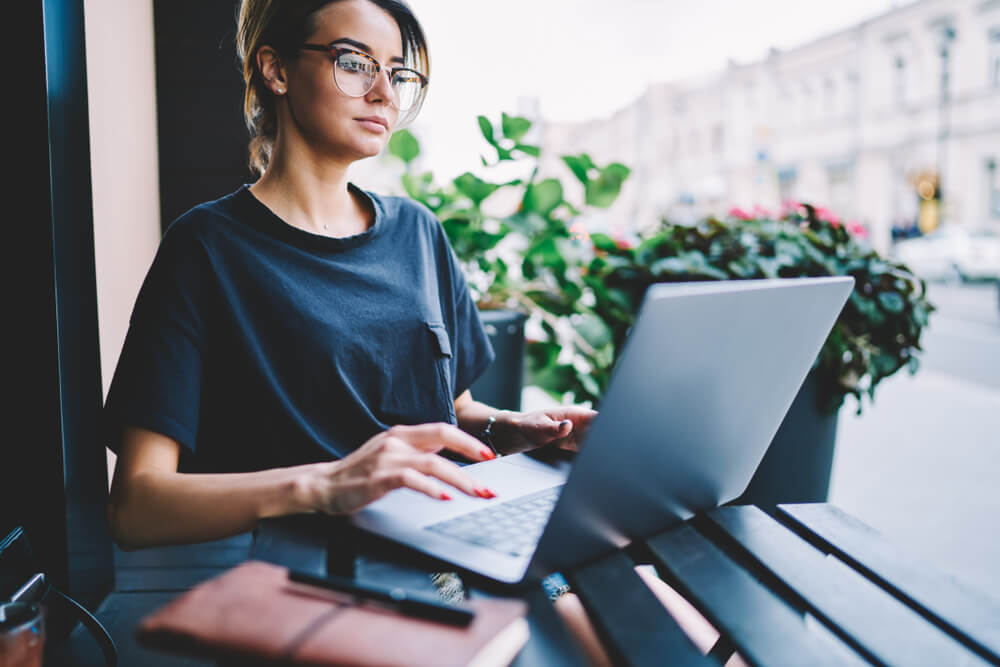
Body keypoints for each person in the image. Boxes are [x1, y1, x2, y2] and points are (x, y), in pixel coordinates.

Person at [103, 1, 746, 664]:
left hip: (459, 537)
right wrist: (326, 484)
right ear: (275, 69)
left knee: (688, 635)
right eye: (354, 63)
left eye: (397, 72)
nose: (384, 92)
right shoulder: (206, 248)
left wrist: (512, 428)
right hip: (331, 581)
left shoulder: (417, 233)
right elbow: (137, 506)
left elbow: (455, 410)